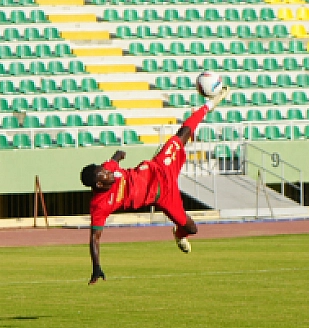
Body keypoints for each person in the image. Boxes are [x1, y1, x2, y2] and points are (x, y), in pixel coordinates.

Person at [82, 93, 224, 284]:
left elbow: (114, 160)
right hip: (163, 196)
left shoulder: (108, 168)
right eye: (104, 175)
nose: (108, 173)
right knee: (192, 228)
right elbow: (94, 238)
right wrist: (96, 266)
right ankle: (179, 233)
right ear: (99, 184)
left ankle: (206, 106)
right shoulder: (99, 206)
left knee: (182, 134)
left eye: (105, 171)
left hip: (159, 167)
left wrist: (118, 156)